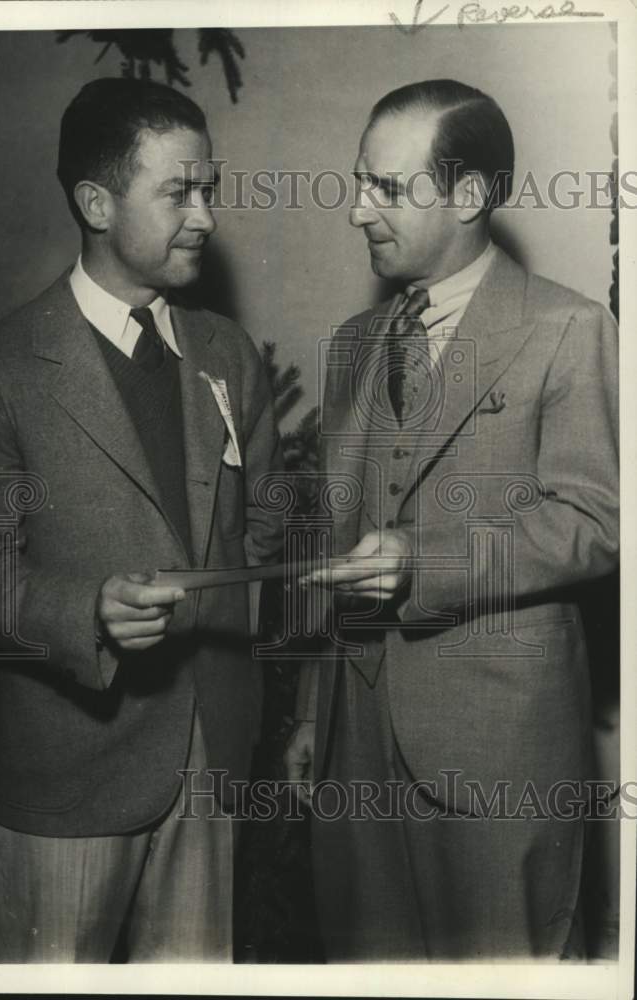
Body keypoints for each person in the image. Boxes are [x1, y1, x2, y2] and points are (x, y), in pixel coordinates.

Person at [0, 78, 283, 963]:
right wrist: (85, 609)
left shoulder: (227, 354)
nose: (204, 215)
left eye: (209, 188)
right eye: (177, 192)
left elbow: (266, 531)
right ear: (95, 201)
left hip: (212, 766)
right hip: (66, 778)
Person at [285, 79, 619, 960]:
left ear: (468, 196)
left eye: (387, 189)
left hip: (498, 750)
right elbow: (335, 537)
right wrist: (313, 715)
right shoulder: (355, 343)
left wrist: (426, 564)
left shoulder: (568, 327)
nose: (358, 210)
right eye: (360, 182)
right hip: (352, 750)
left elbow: (595, 518)